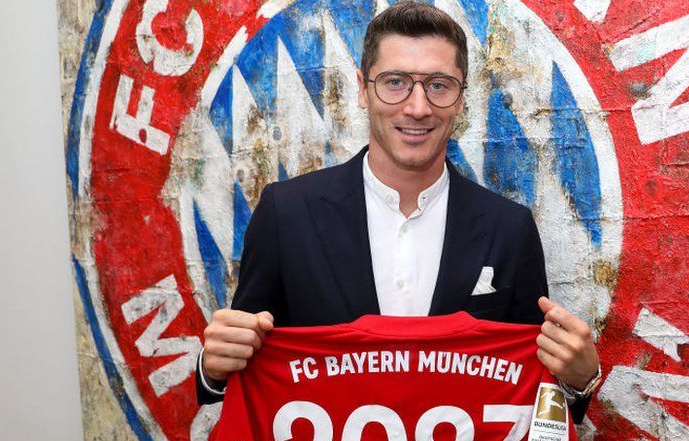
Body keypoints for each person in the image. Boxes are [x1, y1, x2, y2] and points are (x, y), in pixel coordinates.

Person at [195, 1, 602, 417]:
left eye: (439, 85)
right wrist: (213, 368)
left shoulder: (509, 228)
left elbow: (530, 391)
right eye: (395, 82)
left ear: (461, 98)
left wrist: (577, 384)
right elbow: (242, 369)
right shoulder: (286, 213)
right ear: (362, 89)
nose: (418, 107)